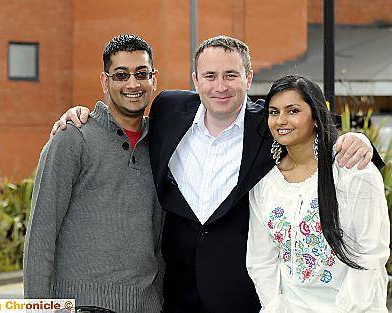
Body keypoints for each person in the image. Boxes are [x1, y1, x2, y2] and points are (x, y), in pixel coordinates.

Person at [51, 36, 381, 313]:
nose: (220, 86)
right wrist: (84, 114)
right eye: (209, 76)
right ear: (194, 80)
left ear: (248, 78)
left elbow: (307, 128)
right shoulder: (168, 110)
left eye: (231, 75)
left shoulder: (266, 125)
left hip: (241, 294)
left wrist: (358, 140)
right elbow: (127, 122)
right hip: (176, 293)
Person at [23, 34, 164, 313]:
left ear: (154, 79)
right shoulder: (73, 138)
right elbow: (41, 232)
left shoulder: (162, 143)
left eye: (141, 73)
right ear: (104, 81)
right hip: (82, 305)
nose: (133, 84)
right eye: (121, 75)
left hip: (148, 305)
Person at [246, 75, 389, 313]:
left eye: (293, 111)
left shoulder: (353, 171)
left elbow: (371, 253)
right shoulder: (265, 184)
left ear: (315, 116)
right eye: (273, 112)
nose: (281, 120)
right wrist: (274, 306)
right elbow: (261, 259)